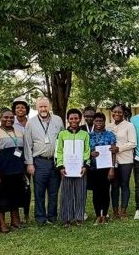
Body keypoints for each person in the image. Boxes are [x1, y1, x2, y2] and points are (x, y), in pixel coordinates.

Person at [23, 97, 64, 225]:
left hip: (55, 161)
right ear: (37, 108)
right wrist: (29, 163)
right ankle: (40, 218)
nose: (43, 109)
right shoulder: (31, 122)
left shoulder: (58, 120)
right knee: (39, 192)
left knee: (53, 191)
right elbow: (27, 144)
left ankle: (52, 216)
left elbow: (63, 140)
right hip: (39, 162)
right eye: (40, 107)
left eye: (45, 106)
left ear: (50, 106)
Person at [0, 108, 26, 233]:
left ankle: (15, 221)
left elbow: (21, 151)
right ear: (0, 118)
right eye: (5, 117)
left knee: (15, 196)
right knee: (1, 198)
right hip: (2, 171)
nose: (8, 119)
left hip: (17, 171)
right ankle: (2, 224)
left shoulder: (19, 132)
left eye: (10, 117)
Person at [56, 108, 90, 227]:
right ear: (68, 120)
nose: (74, 120)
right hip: (66, 169)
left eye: (76, 118)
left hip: (80, 169)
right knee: (66, 194)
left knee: (80, 194)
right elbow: (59, 151)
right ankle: (67, 218)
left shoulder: (85, 134)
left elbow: (87, 151)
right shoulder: (62, 134)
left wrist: (85, 165)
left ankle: (79, 217)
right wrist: (60, 166)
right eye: (71, 118)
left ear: (80, 119)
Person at [108, 103, 137, 220]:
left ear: (124, 113)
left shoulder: (129, 126)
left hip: (126, 160)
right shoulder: (108, 126)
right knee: (114, 186)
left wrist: (119, 148)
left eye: (119, 112)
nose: (117, 114)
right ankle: (115, 212)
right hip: (112, 161)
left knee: (124, 185)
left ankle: (123, 211)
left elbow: (133, 143)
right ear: (112, 113)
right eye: (115, 112)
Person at [88, 112, 116, 224]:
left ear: (104, 122)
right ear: (93, 122)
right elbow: (85, 151)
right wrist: (91, 153)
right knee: (96, 192)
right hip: (94, 168)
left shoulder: (110, 135)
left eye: (101, 121)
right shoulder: (89, 136)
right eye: (97, 121)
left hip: (106, 168)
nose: (99, 123)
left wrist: (112, 168)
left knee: (105, 192)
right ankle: (97, 215)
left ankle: (104, 215)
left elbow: (114, 152)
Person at [12, 98, 32, 224]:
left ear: (27, 110)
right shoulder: (11, 123)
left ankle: (26, 214)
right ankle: (16, 215)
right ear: (14, 110)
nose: (20, 109)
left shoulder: (32, 123)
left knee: (28, 188)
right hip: (16, 159)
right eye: (18, 107)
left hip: (30, 159)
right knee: (16, 187)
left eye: (23, 107)